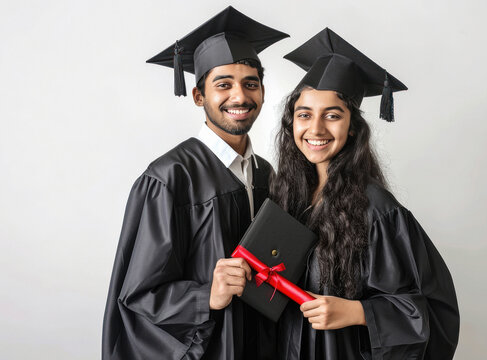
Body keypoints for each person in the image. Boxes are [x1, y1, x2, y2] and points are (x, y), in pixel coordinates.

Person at [102, 7, 288, 360]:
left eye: (251, 84)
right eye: (223, 85)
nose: (239, 96)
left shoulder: (266, 174)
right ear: (199, 96)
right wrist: (206, 296)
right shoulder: (169, 178)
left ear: (263, 91)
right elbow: (138, 296)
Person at [271, 28, 460, 359]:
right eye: (305, 115)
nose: (315, 129)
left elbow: (426, 312)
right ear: (292, 123)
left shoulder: (378, 211)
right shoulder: (288, 195)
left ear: (353, 127)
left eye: (332, 115)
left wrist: (357, 312)